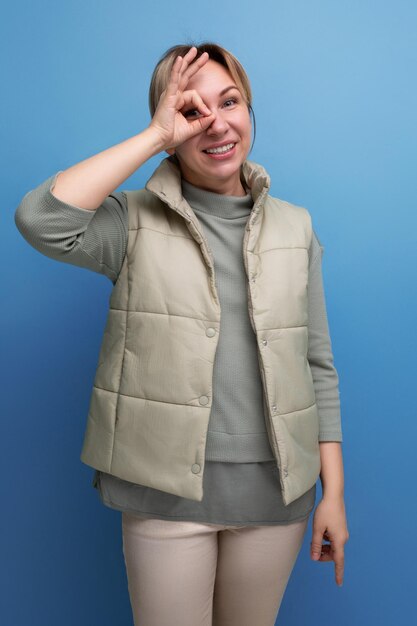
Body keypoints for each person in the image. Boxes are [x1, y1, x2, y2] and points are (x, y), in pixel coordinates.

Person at [15, 42, 349, 626]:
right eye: (193, 112)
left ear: (249, 109)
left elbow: (317, 366)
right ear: (172, 124)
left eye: (230, 102)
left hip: (277, 497)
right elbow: (42, 220)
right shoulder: (131, 220)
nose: (217, 123)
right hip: (164, 496)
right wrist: (152, 137)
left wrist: (335, 496)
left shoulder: (297, 227)